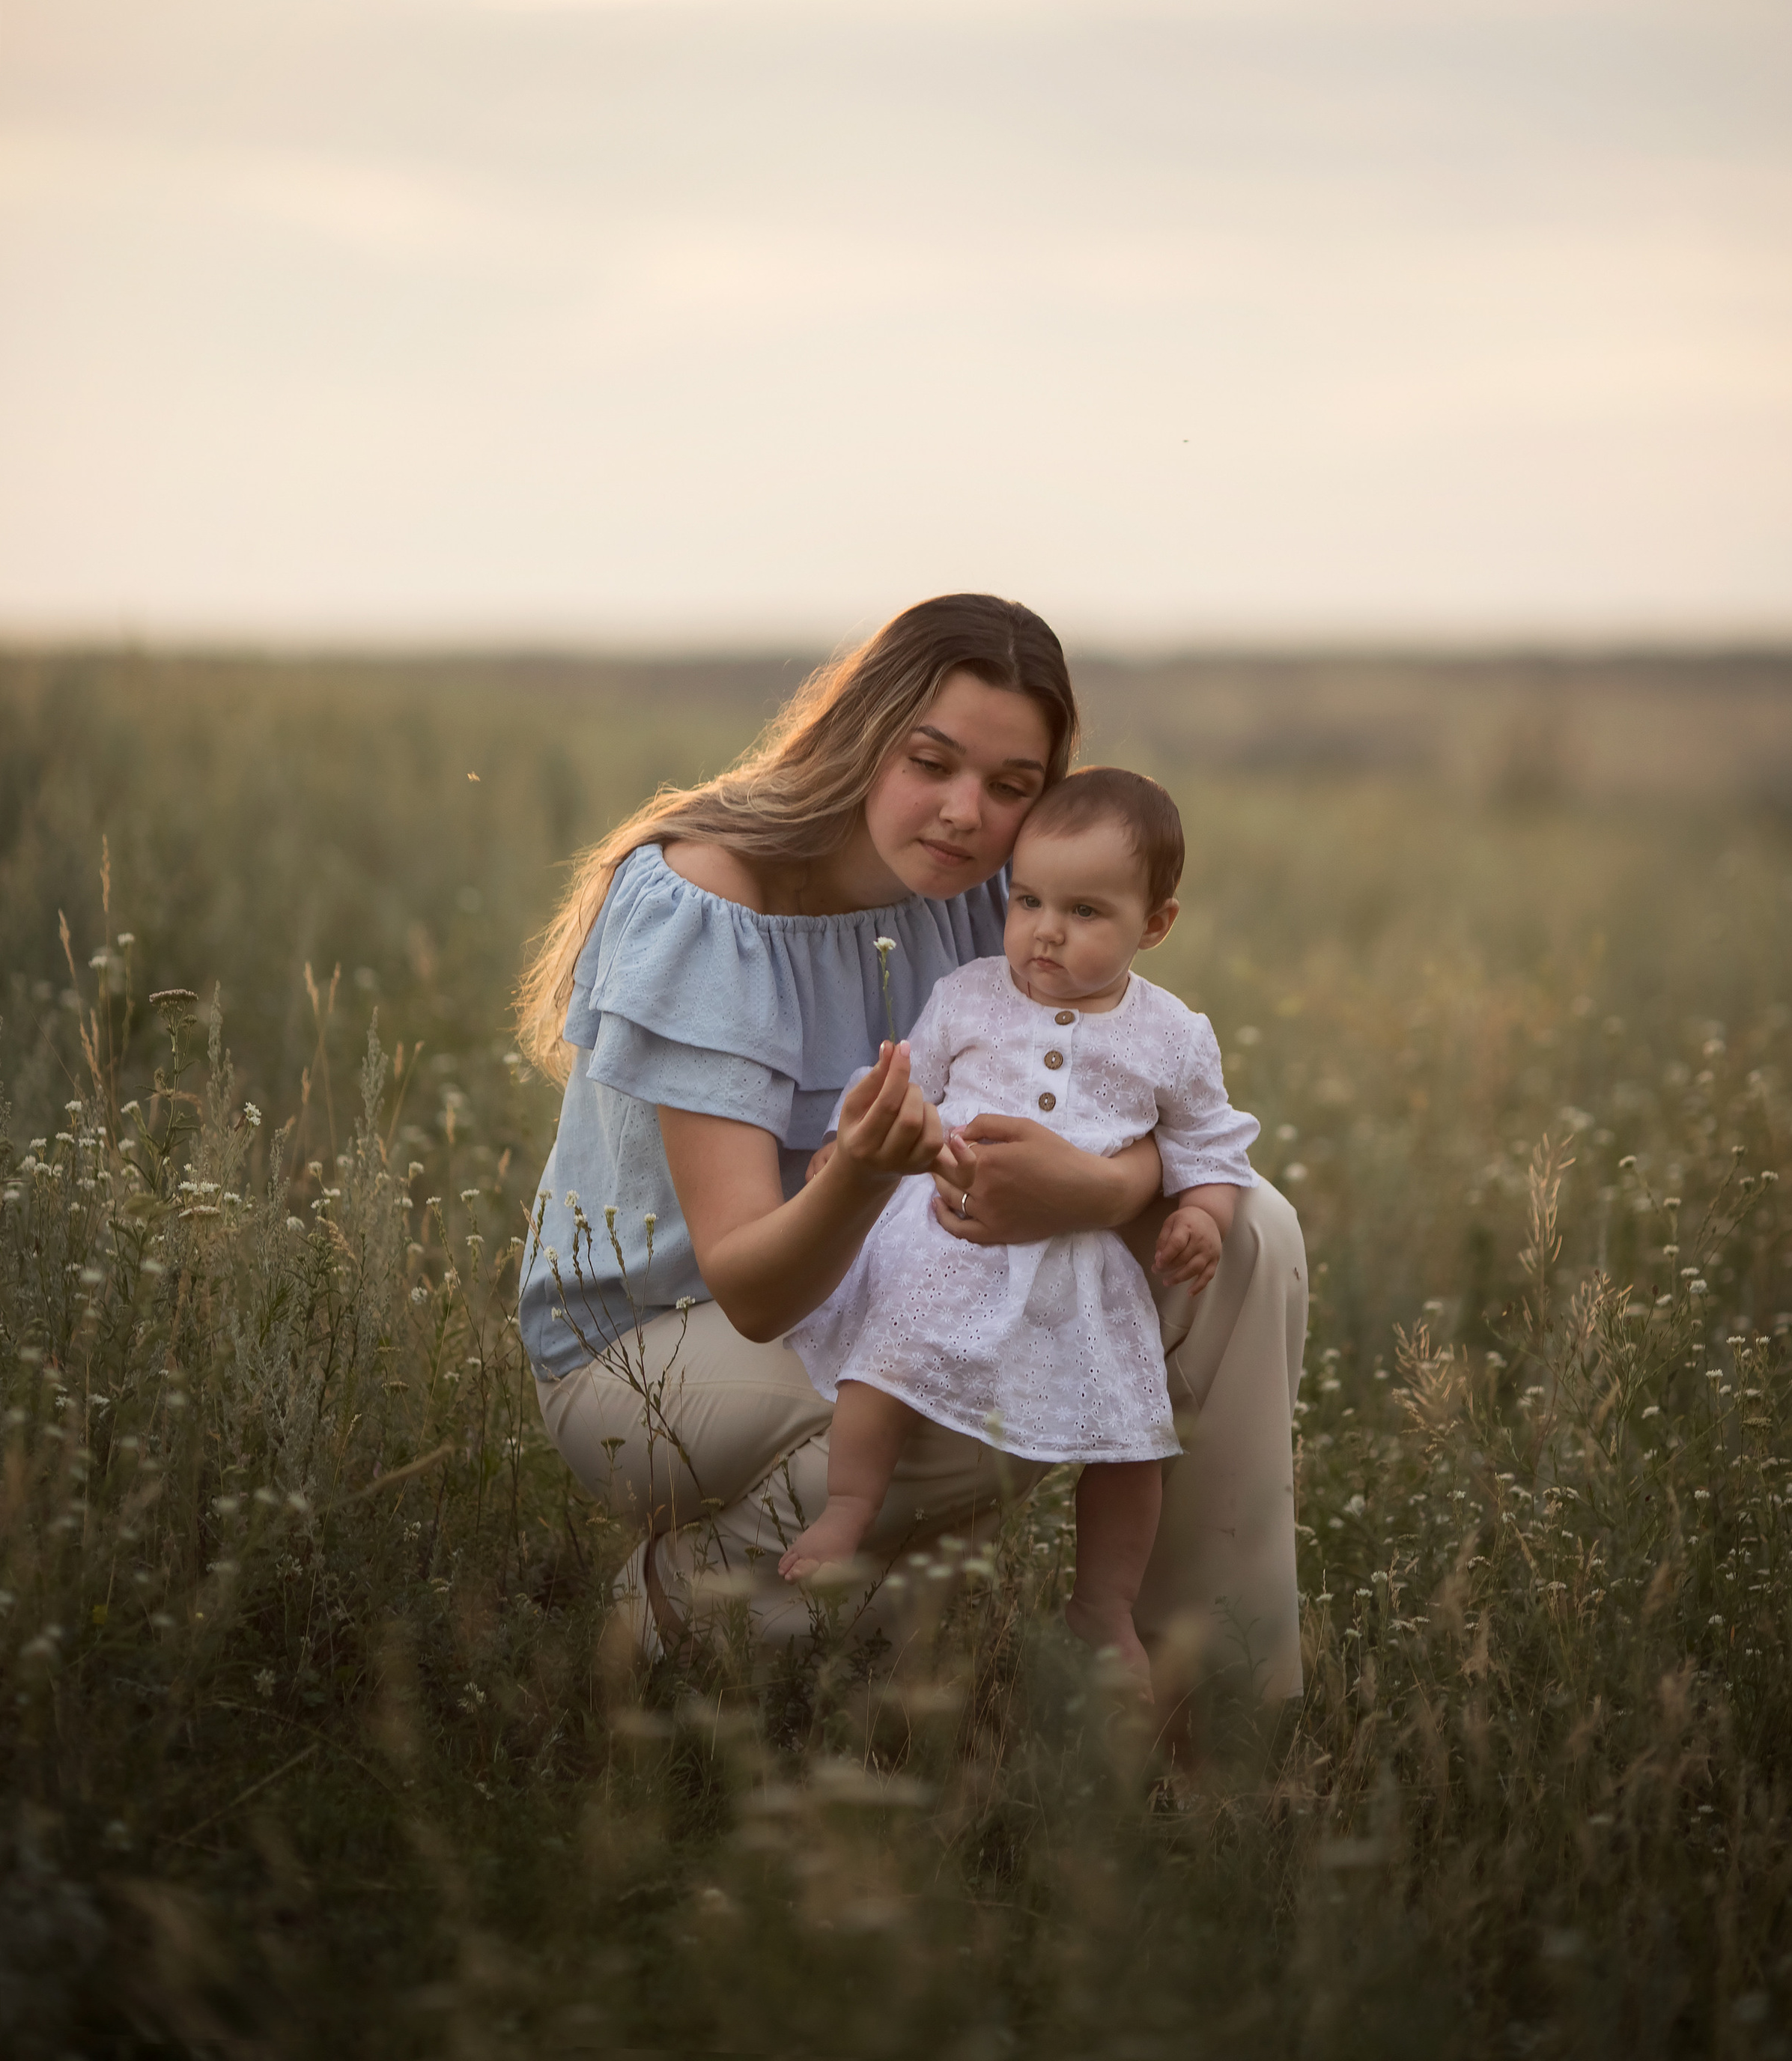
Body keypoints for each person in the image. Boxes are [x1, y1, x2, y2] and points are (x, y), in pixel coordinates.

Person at [514, 592, 1308, 1701]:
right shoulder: (710, 899)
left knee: (1251, 1231)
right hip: (657, 1352)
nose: (963, 814)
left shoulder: (995, 892)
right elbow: (750, 1289)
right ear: (862, 733)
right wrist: (859, 1172)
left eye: (1010, 787)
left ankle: (1208, 1698)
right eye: (929, 762)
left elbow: (1139, 1111)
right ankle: (688, 1609)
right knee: (974, 1358)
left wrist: (1093, 1189)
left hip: (891, 1276)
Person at [780, 767, 1260, 1699]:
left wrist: (1203, 1214)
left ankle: (1103, 1604)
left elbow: (1210, 1144)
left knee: (1132, 1443)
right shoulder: (969, 994)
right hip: (943, 1235)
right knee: (883, 1361)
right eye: (1029, 900)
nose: (1045, 931)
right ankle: (848, 1507)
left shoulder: (1171, 1035)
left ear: (1154, 924)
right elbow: (904, 1083)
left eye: (1085, 912)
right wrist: (850, 1142)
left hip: (1076, 1268)